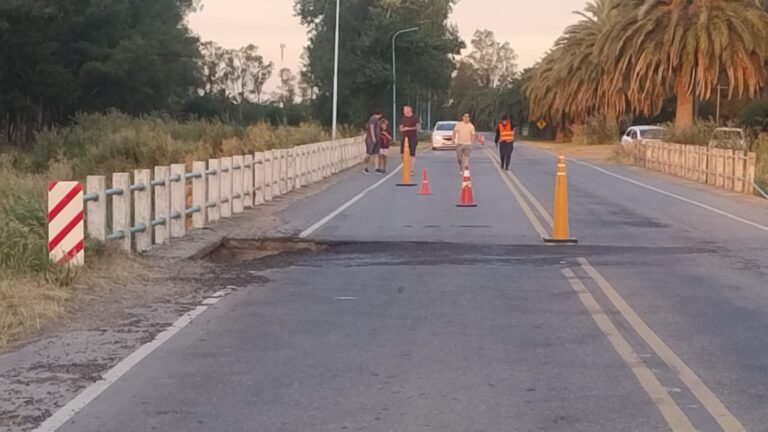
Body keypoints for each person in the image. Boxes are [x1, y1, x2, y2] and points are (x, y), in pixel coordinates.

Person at [399, 105, 420, 174]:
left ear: (409, 110)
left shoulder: (415, 118)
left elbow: (418, 127)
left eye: (404, 110)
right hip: (404, 137)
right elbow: (401, 127)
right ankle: (405, 166)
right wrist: (402, 129)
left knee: (412, 154)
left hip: (412, 137)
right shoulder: (403, 118)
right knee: (402, 153)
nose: (403, 111)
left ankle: (411, 169)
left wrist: (408, 128)